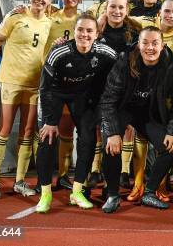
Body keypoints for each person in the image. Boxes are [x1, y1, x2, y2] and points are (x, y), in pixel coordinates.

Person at [34, 13, 117, 213]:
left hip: (81, 95)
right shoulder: (59, 52)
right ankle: (45, 194)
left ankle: (77, 191)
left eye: (90, 31)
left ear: (97, 34)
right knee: (48, 137)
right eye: (80, 30)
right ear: (74, 31)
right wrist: (49, 120)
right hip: (54, 93)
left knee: (88, 138)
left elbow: (118, 73)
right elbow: (44, 88)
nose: (84, 34)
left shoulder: (105, 52)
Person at [98, 27, 173, 213]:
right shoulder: (124, 60)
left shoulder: (172, 64)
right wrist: (113, 132)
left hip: (150, 113)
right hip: (123, 109)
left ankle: (149, 192)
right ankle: (113, 195)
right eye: (145, 42)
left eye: (155, 43)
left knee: (170, 147)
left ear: (162, 45)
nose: (150, 47)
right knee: (110, 145)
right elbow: (108, 99)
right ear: (138, 44)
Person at [0, 0, 52, 200]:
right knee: (3, 129)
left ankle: (19, 181)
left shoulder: (50, 22)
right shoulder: (15, 17)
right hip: (10, 82)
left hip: (33, 84)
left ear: (49, 0)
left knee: (28, 132)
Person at [86, 0, 142, 190]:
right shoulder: (96, 30)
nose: (116, 11)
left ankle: (124, 171)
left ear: (127, 10)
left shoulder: (136, 30)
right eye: (113, 7)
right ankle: (95, 169)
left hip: (127, 87)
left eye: (121, 8)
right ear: (105, 8)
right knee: (99, 127)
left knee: (127, 127)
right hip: (99, 85)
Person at [44, 0, 82, 191]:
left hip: (79, 81)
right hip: (56, 81)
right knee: (56, 128)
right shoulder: (51, 18)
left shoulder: (85, 19)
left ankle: (71, 175)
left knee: (77, 130)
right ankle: (55, 176)